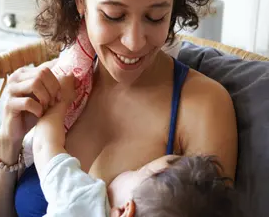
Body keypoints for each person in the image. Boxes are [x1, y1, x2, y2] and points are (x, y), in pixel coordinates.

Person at [0, 0, 238, 216]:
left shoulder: (202, 106)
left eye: (155, 17)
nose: (133, 42)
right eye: (113, 15)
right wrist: (9, 140)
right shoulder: (58, 85)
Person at [33, 72, 235, 217]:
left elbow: (44, 146)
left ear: (126, 210)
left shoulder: (85, 200)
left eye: (139, 170)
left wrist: (61, 101)